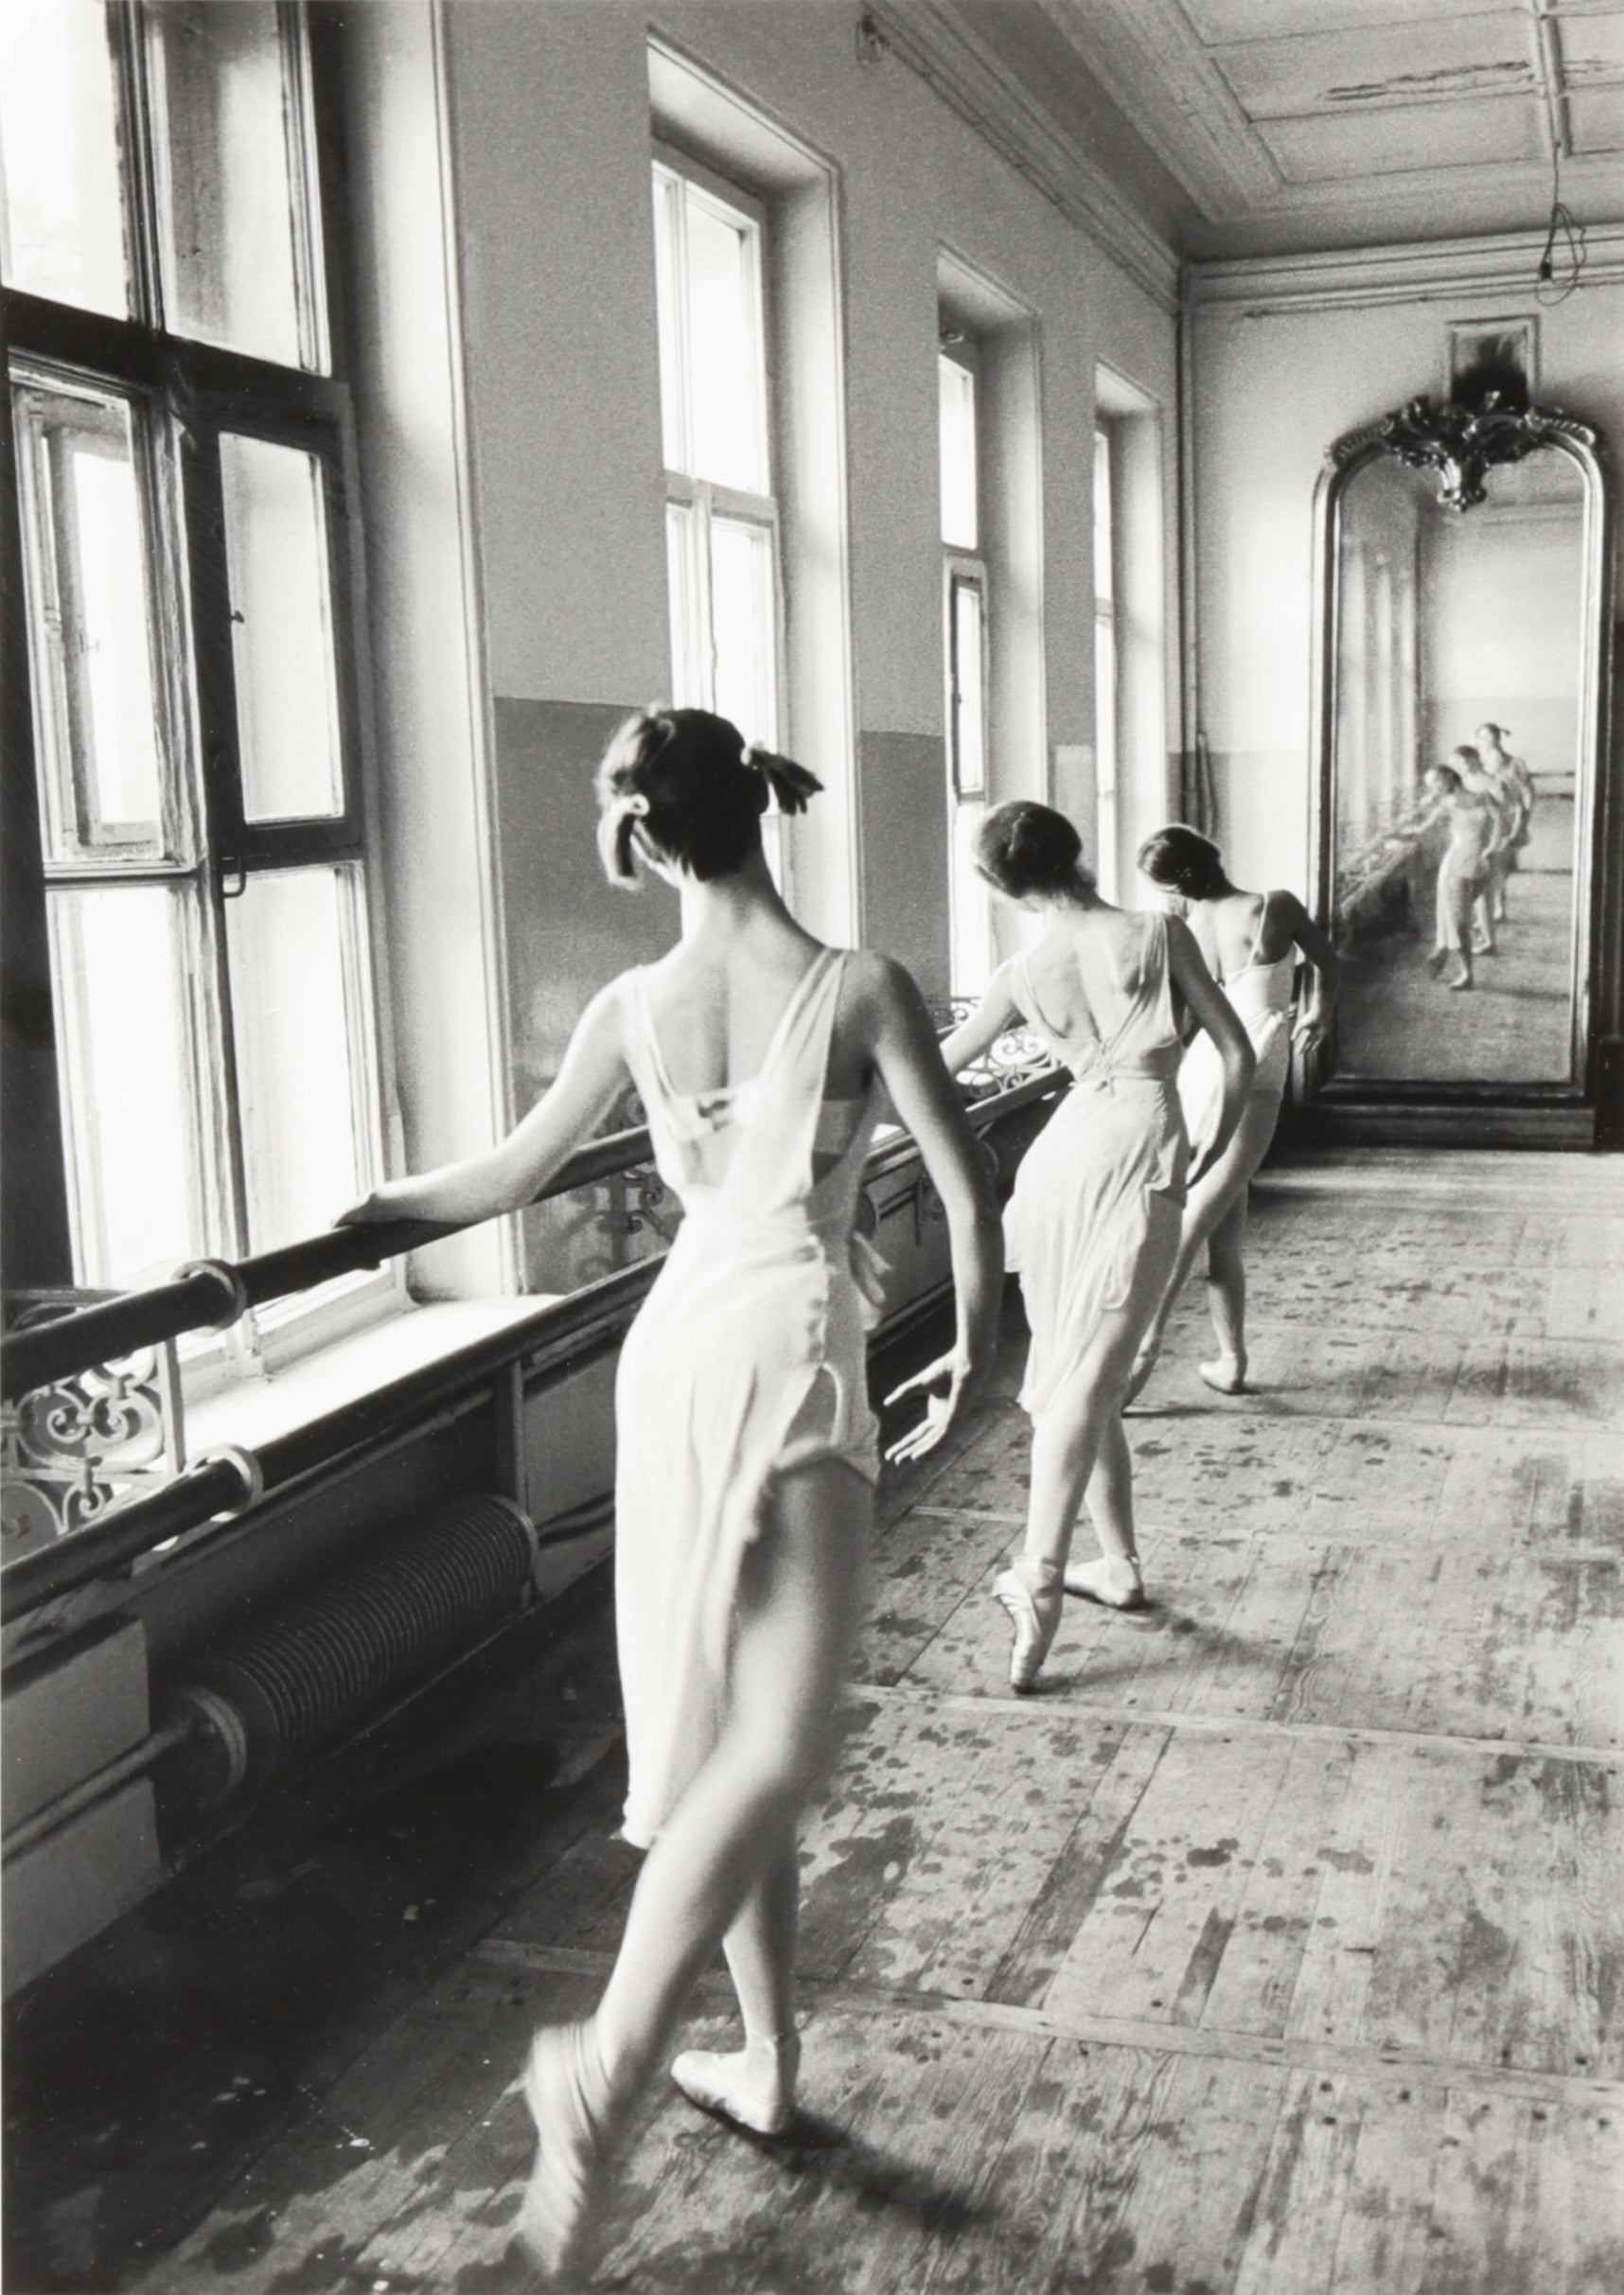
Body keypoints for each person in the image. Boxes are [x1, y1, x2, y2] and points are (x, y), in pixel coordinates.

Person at [341, 708, 1004, 2277]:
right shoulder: (861, 988)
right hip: (794, 1348)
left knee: (720, 1741)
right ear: (763, 809)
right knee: (781, 1747)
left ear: (645, 838)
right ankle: (610, 2059)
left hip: (678, 1352)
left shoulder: (636, 1003)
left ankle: (767, 2067)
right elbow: (965, 1201)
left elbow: (497, 1181)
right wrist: (976, 1365)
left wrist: (360, 1224)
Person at [937, 801, 1253, 1691]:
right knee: (1087, 1376)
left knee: (1085, 1371)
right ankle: (1040, 1572)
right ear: (1075, 850)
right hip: (1139, 1147)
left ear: (1000, 885)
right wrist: (1213, 1147)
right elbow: (1234, 1053)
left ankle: (1117, 1567)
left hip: (1060, 1160)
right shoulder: (1156, 931)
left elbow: (929, 1072)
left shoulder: (1021, 971)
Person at [1124, 826, 1341, 1402]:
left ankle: (1221, 1359)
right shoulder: (1273, 906)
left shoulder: (1186, 928)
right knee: (1200, 1224)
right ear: (1211, 856)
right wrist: (1319, 1013)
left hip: (1211, 1063)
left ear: (1174, 885)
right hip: (1255, 1063)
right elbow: (1328, 962)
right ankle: (1147, 1355)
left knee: (1213, 1228)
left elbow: (1178, 1016)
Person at [1417, 760, 1497, 988]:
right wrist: (1400, 831)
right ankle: (1466, 974)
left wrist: (1492, 847)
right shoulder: (1445, 804)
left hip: (1480, 863)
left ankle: (1442, 950)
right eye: (1430, 785)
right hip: (1457, 864)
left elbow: (1499, 821)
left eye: (1435, 783)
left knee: (1457, 915)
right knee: (1461, 920)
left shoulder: (1482, 797)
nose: (1433, 788)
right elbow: (1422, 828)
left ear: (1448, 778)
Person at [1450, 743, 1518, 950]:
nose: (1457, 766)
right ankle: (1483, 934)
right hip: (1468, 842)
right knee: (1472, 892)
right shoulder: (1461, 782)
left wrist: (1496, 843)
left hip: (1488, 843)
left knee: (1484, 894)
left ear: (1473, 759)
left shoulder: (1493, 783)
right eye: (1455, 763)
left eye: (1460, 761)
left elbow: (1504, 814)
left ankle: (1489, 941)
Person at [1474, 722, 1535, 920]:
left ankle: (1499, 908)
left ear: (1498, 738)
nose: (1487, 742)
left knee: (1501, 865)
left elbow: (1527, 792)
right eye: (1482, 738)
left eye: (1490, 737)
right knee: (1487, 863)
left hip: (1509, 818)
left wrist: (1524, 819)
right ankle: (1488, 908)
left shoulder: (1515, 763)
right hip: (1485, 818)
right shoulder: (1479, 764)